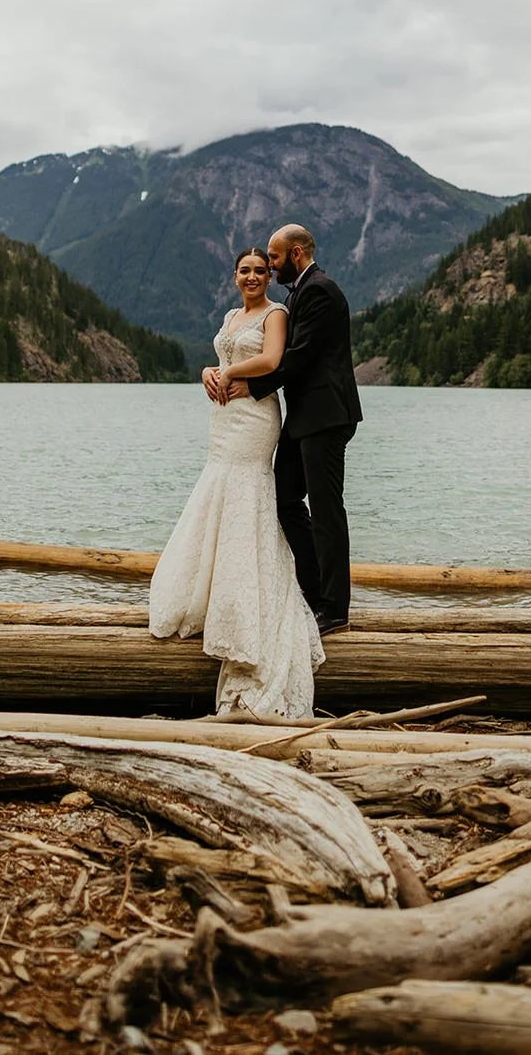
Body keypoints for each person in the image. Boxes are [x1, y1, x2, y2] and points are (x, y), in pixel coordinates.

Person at [148, 246, 324, 719]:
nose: (252, 277)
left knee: (248, 495)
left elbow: (270, 361)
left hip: (255, 419)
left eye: (260, 271)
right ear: (235, 276)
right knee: (216, 490)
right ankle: (207, 595)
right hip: (223, 419)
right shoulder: (230, 315)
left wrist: (227, 371)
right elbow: (222, 357)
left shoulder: (276, 314)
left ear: (270, 276)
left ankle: (250, 607)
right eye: (244, 270)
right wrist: (208, 371)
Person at [216, 224, 362, 636]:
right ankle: (314, 591)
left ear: (295, 254)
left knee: (328, 511)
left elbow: (295, 358)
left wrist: (252, 385)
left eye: (274, 259)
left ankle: (335, 609)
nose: (270, 265)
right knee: (285, 498)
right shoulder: (302, 291)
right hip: (303, 418)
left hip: (326, 416)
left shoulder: (319, 290)